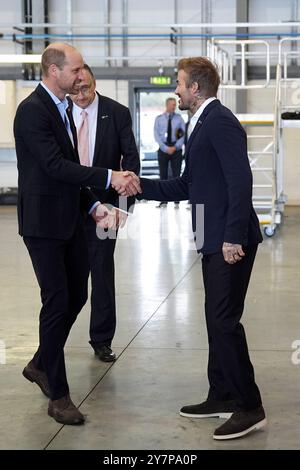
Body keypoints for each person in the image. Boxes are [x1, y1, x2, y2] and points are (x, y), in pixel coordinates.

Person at [132, 57, 266, 440]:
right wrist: (139, 186)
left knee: (225, 322)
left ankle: (249, 405)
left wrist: (232, 237)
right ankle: (222, 393)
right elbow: (188, 184)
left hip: (228, 240)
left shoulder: (220, 121)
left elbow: (241, 180)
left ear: (196, 88)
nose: (175, 88)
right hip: (212, 238)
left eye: (179, 83)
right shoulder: (202, 122)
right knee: (215, 320)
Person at [14, 43, 140, 425]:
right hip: (44, 225)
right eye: (76, 68)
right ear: (54, 71)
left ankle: (40, 362)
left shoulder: (63, 109)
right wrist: (109, 177)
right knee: (56, 301)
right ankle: (60, 395)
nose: (81, 74)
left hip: (71, 217)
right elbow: (54, 166)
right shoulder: (32, 111)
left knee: (76, 295)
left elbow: (69, 168)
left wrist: (93, 205)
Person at [69, 64, 140, 362]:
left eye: (85, 88)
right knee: (68, 278)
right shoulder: (60, 113)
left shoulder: (117, 112)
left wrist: (124, 209)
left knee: (101, 274)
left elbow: (131, 161)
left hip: (106, 209)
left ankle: (101, 339)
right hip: (70, 205)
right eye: (75, 91)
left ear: (94, 82)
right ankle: (54, 336)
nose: (81, 95)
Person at [154, 97, 185, 208]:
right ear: (167, 105)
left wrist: (176, 147)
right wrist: (165, 148)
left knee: (177, 175)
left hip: (176, 149)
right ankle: (163, 200)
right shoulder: (159, 119)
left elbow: (182, 135)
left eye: (175, 104)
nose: (174, 106)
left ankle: (177, 200)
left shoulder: (179, 119)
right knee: (163, 175)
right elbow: (156, 135)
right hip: (163, 149)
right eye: (172, 104)